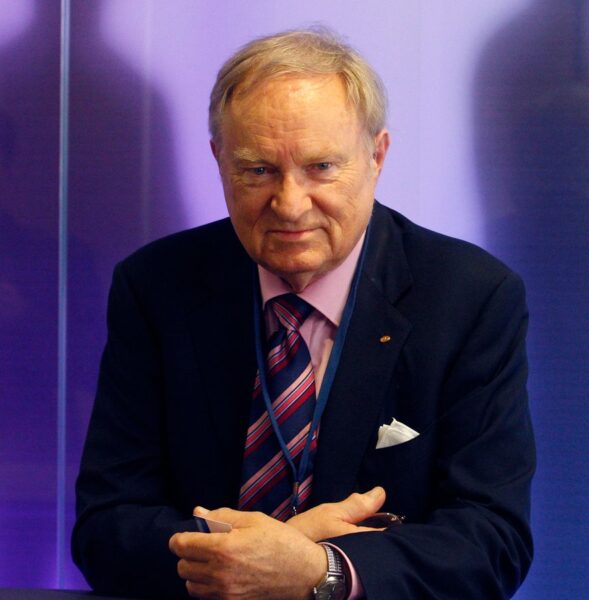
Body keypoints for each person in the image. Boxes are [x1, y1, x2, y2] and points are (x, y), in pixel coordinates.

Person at [72, 28, 534, 599]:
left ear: (377, 155)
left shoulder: (470, 297)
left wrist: (321, 570)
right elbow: (106, 525)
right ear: (219, 159)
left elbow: (491, 540)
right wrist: (248, 559)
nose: (290, 204)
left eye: (320, 167)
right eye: (258, 170)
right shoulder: (156, 286)